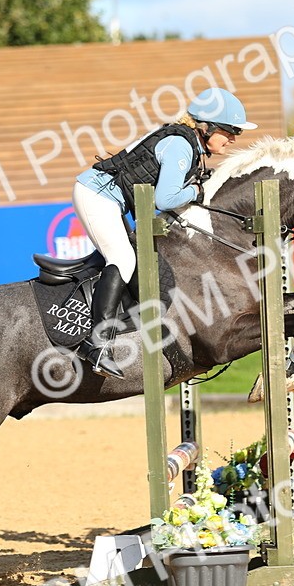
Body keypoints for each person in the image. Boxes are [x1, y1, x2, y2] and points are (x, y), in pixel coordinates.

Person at [72, 87, 257, 379]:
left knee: (132, 260)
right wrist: (197, 190)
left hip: (108, 198)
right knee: (122, 257)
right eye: (230, 130)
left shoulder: (189, 145)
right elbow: (166, 199)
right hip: (96, 196)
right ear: (206, 127)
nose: (234, 137)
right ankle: (97, 343)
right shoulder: (181, 145)